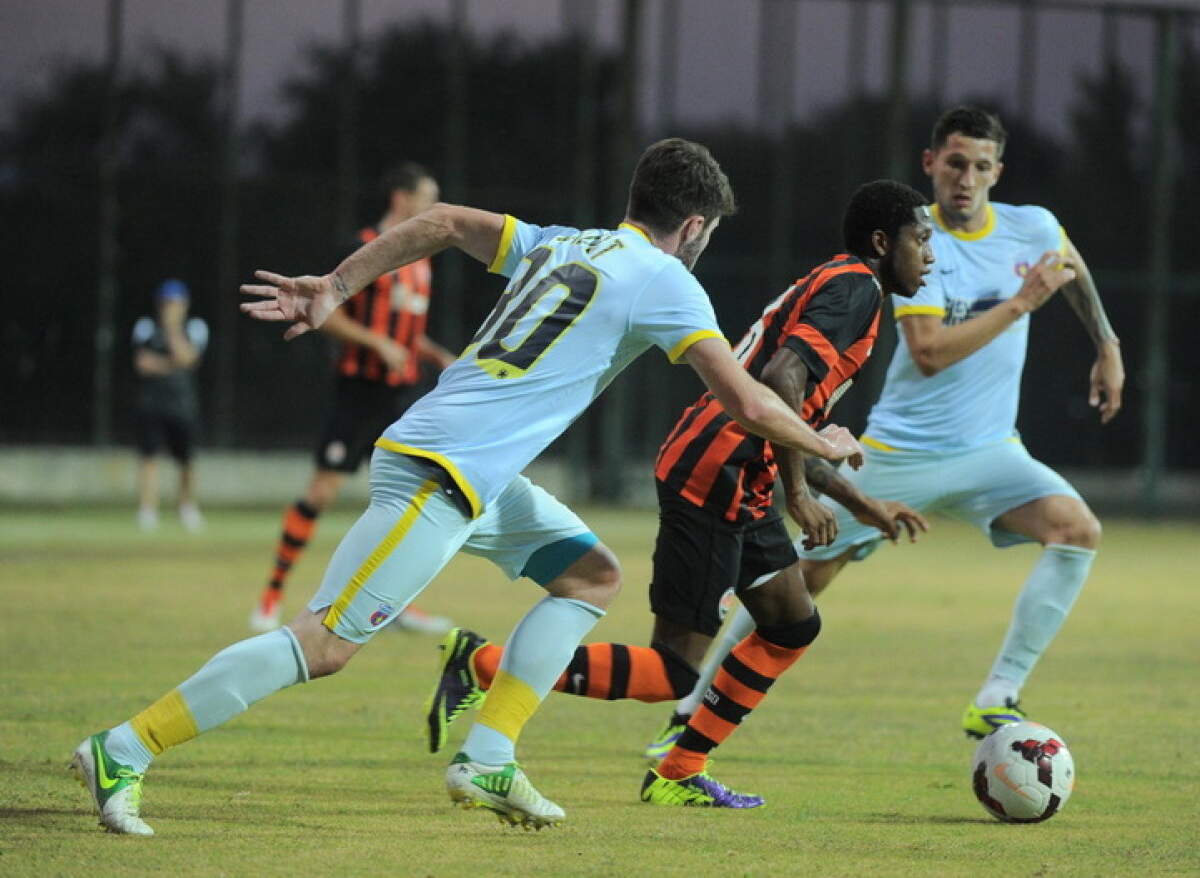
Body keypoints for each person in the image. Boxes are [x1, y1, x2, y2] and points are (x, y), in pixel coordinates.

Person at [69, 138, 865, 836]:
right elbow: (748, 401)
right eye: (709, 233)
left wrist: (338, 285)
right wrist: (820, 438)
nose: (703, 246)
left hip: (473, 475)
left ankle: (487, 759)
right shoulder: (665, 279)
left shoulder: (563, 243)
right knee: (325, 644)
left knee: (590, 576)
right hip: (441, 472)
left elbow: (445, 221)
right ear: (692, 226)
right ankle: (124, 748)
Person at [424, 179, 936, 808]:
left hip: (740, 472)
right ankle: (483, 664)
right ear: (882, 242)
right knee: (672, 669)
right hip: (716, 473)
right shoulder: (856, 288)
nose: (929, 255)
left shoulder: (843, 283)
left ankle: (679, 769)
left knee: (791, 626)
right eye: (921, 239)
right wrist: (800, 494)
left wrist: (861, 505)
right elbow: (782, 380)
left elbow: (793, 418)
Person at [643, 105, 1125, 751]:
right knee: (797, 584)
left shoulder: (1030, 227)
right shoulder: (914, 245)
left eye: (981, 166)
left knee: (1077, 530)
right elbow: (928, 352)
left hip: (992, 450)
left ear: (998, 172)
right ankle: (690, 709)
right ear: (931, 164)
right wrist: (1021, 303)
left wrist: (1107, 343)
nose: (966, 178)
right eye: (955, 163)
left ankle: (997, 698)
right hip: (902, 451)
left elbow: (1071, 265)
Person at [250, 163, 457, 635]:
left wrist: (438, 355)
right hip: (359, 391)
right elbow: (326, 313)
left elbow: (407, 331)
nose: (434, 207)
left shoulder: (422, 261)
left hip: (401, 395)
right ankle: (271, 595)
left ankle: (396, 605)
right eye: (428, 197)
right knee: (321, 492)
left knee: (408, 503)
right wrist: (374, 343)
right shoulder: (361, 247)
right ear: (401, 199)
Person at [132, 278, 209, 533]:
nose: (170, 308)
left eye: (175, 303)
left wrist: (172, 329)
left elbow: (188, 358)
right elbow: (142, 364)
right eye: (166, 303)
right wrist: (171, 364)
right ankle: (147, 509)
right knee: (149, 457)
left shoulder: (195, 328)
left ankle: (186, 507)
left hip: (183, 405)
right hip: (151, 404)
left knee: (186, 459)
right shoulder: (146, 327)